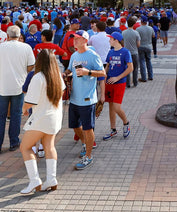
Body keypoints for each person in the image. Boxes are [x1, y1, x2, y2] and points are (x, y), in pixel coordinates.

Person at [19, 49, 66, 194]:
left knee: (25, 147)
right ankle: (51, 179)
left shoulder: (38, 77)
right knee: (49, 146)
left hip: (41, 118)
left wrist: (24, 109)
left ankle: (34, 180)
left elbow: (30, 101)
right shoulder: (57, 75)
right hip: (55, 118)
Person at [0, 25, 36, 155]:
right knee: (16, 116)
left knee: (0, 117)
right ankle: (14, 142)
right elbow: (31, 65)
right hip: (19, 86)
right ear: (20, 36)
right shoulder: (26, 47)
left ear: (7, 36)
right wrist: (23, 71)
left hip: (2, 86)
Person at [67, 30, 105, 170]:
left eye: (77, 39)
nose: (74, 41)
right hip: (74, 98)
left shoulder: (92, 55)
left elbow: (102, 73)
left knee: (88, 128)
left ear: (85, 40)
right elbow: (69, 69)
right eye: (74, 38)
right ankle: (84, 143)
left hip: (87, 99)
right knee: (75, 126)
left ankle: (88, 156)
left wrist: (87, 72)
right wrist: (64, 74)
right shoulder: (74, 55)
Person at [101, 31, 132, 140]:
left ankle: (126, 123)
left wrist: (117, 78)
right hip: (109, 82)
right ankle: (113, 129)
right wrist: (103, 77)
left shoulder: (125, 52)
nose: (109, 41)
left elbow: (130, 68)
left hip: (119, 83)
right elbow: (107, 67)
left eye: (111, 39)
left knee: (116, 107)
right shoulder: (110, 52)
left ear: (116, 40)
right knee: (110, 107)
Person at [122, 16, 141, 87]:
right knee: (135, 68)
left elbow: (122, 43)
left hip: (126, 53)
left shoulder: (123, 33)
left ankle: (127, 83)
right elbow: (138, 44)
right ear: (134, 24)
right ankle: (135, 82)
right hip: (134, 52)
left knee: (127, 68)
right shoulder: (136, 33)